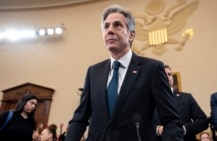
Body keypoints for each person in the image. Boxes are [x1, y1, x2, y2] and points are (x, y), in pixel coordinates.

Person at [65, 4, 184, 141]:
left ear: (131, 35)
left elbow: (171, 121)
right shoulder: (94, 72)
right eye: (106, 26)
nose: (110, 30)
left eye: (117, 25)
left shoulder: (152, 68)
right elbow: (80, 118)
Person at [154, 65, 208, 141]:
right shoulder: (150, 102)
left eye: (169, 74)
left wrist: (184, 129)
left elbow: (203, 121)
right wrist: (157, 130)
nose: (167, 77)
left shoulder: (187, 98)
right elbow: (142, 125)